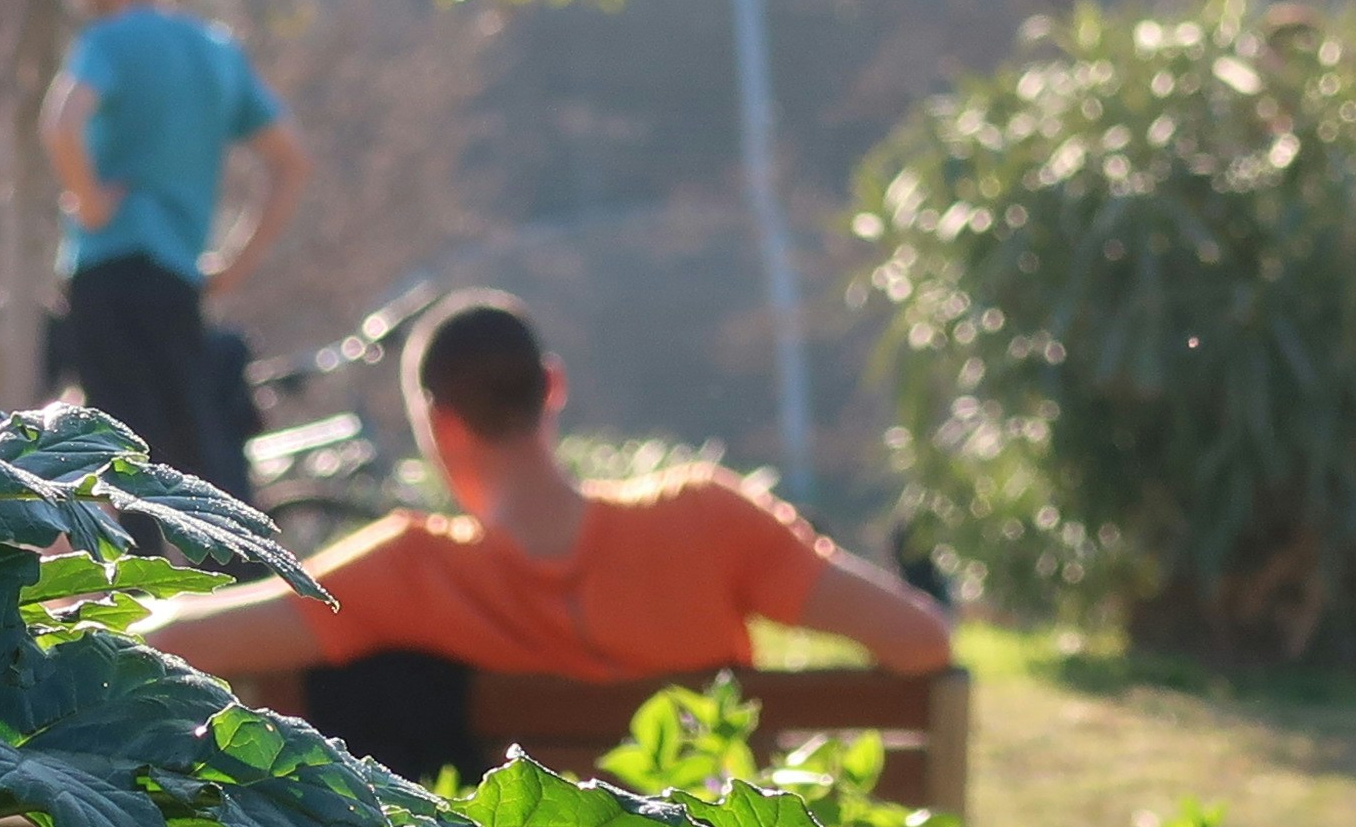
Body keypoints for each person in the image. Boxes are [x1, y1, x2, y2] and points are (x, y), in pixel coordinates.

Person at [138, 293, 949, 737]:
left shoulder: (407, 572)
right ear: (553, 387)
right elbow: (920, 642)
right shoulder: (711, 520)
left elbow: (172, 639)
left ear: (440, 425)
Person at [42, 0, 306, 498]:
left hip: (107, 275)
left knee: (119, 461)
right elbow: (291, 162)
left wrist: (89, 204)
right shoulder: (215, 51)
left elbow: (61, 125)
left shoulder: (106, 42)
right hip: (176, 281)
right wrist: (237, 264)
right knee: (192, 459)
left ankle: (139, 587)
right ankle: (231, 583)